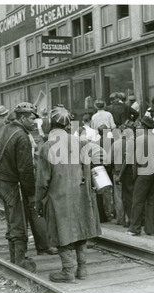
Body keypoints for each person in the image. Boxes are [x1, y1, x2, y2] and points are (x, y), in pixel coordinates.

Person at [35, 106, 101, 283]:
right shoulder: (79, 142)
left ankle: (68, 272)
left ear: (50, 123)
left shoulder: (47, 147)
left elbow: (42, 180)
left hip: (59, 196)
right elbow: (87, 169)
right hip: (80, 193)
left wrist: (38, 200)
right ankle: (82, 269)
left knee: (62, 231)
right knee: (80, 228)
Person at [0, 103, 39, 271]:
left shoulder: (5, 130)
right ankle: (20, 262)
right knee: (19, 221)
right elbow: (25, 170)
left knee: (12, 219)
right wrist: (32, 193)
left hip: (2, 181)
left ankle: (14, 256)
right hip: (14, 184)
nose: (34, 122)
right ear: (22, 118)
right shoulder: (22, 136)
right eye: (32, 118)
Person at [127, 116, 154, 236]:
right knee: (151, 202)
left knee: (137, 201)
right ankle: (150, 229)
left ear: (145, 127)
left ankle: (135, 228)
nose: (139, 127)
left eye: (141, 125)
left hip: (143, 174)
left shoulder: (140, 139)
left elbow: (136, 159)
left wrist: (134, 175)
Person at [110, 120, 135, 227]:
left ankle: (121, 219)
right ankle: (130, 218)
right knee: (130, 196)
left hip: (117, 172)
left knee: (118, 197)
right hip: (130, 173)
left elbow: (109, 159)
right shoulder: (132, 143)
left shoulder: (115, 144)